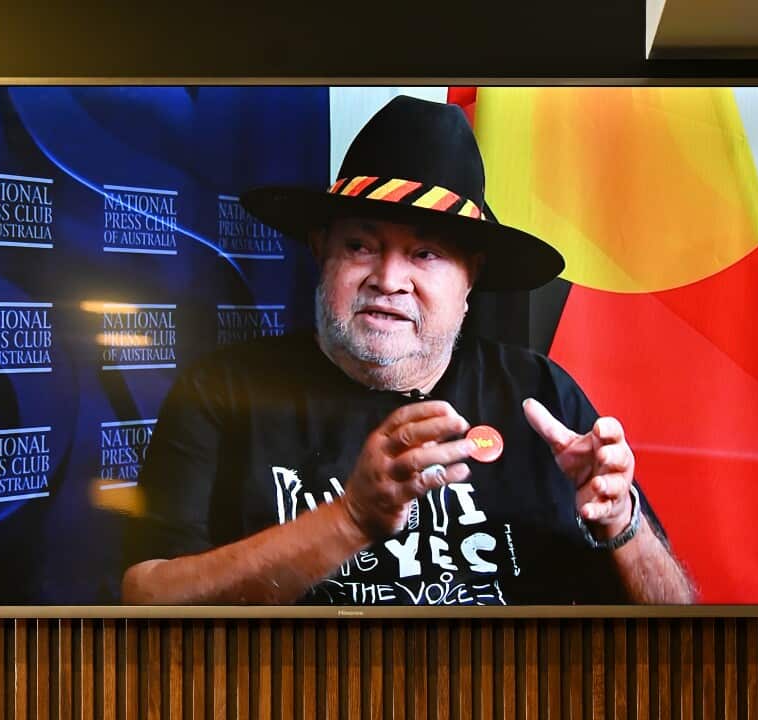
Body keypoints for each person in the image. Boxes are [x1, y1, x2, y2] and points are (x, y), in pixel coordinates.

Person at [121, 96, 695, 606]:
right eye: (360, 246)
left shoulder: (542, 396)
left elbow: (678, 619)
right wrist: (349, 519)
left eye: (426, 254)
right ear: (322, 253)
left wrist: (622, 523)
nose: (389, 279)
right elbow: (146, 597)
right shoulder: (224, 391)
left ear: (471, 278)